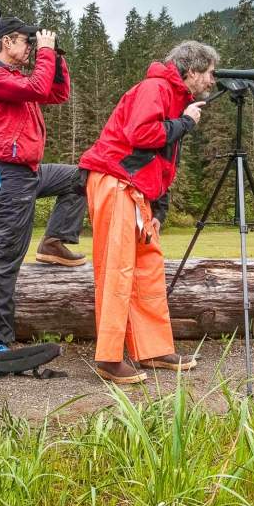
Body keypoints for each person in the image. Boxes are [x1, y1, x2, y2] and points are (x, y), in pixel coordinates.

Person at [78, 40, 217, 384]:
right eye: (210, 73)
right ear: (192, 71)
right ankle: (109, 358)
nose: (213, 81)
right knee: (118, 268)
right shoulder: (155, 88)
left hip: (137, 191)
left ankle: (152, 348)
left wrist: (159, 208)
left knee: (147, 267)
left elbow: (161, 161)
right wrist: (184, 123)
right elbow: (141, 135)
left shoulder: (173, 97)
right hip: (115, 182)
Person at [0, 17, 87, 344]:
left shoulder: (14, 77)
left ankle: (54, 241)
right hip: (6, 172)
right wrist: (47, 53)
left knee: (83, 176)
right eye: (27, 42)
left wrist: (57, 57)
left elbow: (56, 93)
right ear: (6, 43)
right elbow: (37, 88)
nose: (31, 49)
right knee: (6, 258)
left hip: (29, 170)